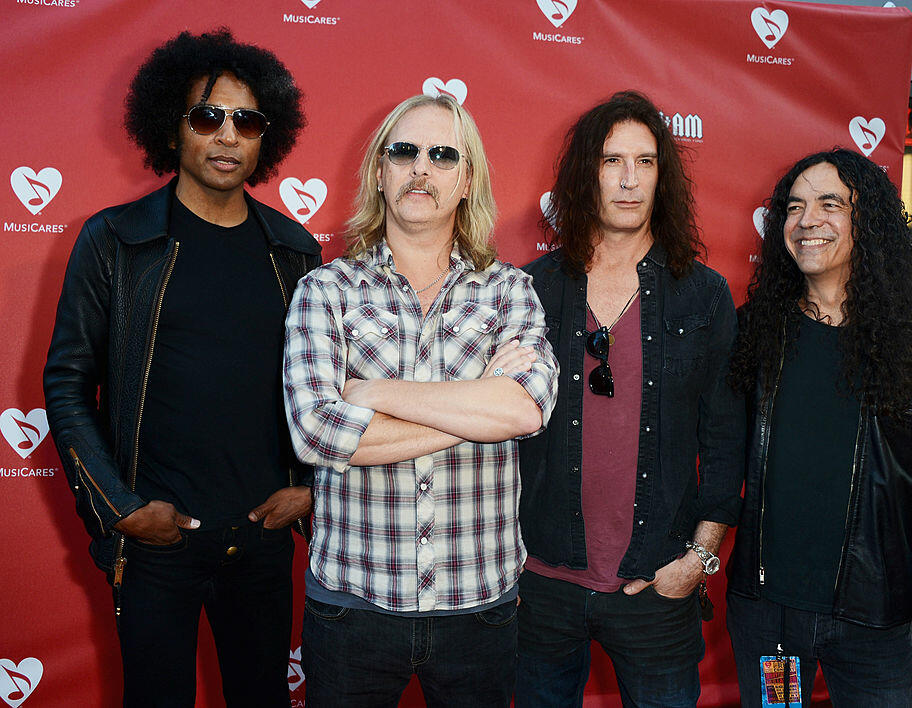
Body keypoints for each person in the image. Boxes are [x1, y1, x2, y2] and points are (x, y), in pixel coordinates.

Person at [42, 29, 320, 707]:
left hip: (261, 542)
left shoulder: (294, 251)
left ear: (266, 138)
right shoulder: (115, 241)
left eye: (246, 121)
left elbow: (327, 389)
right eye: (207, 116)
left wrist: (312, 488)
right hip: (156, 543)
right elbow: (68, 382)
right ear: (173, 128)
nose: (227, 135)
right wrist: (122, 510)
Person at [283, 93, 558, 707]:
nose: (421, 169)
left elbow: (524, 411)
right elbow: (317, 434)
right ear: (380, 172)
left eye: (442, 155)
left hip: (480, 608)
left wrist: (374, 395)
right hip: (353, 605)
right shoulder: (325, 291)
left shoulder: (511, 291)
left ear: (466, 181)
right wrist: (476, 409)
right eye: (404, 152)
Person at [727, 148, 912, 707]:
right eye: (794, 207)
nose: (807, 221)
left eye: (830, 204)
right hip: (771, 622)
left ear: (867, 220)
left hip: (874, 621)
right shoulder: (756, 332)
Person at [515, 90, 745, 707]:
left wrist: (699, 557)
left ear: (662, 178)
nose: (628, 179)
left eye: (645, 162)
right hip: (540, 583)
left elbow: (726, 439)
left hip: (656, 579)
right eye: (612, 160)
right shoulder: (529, 290)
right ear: (584, 172)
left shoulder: (703, 296)